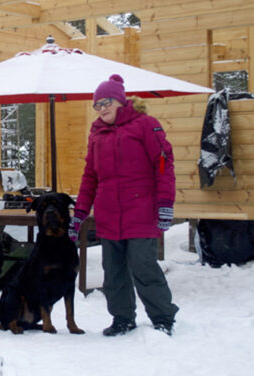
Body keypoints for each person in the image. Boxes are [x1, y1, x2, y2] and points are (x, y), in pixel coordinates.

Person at [71, 74, 179, 336]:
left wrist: (165, 204)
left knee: (143, 266)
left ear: (120, 101)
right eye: (97, 105)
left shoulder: (145, 125)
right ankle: (122, 318)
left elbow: (163, 165)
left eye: (107, 102)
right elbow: (90, 176)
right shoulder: (97, 133)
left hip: (140, 212)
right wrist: (80, 213)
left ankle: (163, 316)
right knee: (113, 272)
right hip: (109, 214)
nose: (102, 108)